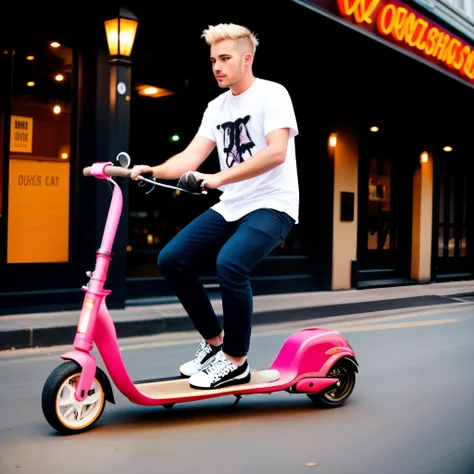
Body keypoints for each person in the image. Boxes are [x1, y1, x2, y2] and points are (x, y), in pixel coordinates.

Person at [130, 23, 299, 390]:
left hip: (273, 204)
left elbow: (276, 152)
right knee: (171, 259)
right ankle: (215, 344)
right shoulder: (216, 107)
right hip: (233, 203)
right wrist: (152, 170)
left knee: (230, 264)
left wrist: (219, 177)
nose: (217, 67)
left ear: (247, 59)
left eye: (225, 58)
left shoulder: (273, 95)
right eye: (213, 60)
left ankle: (236, 360)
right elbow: (193, 155)